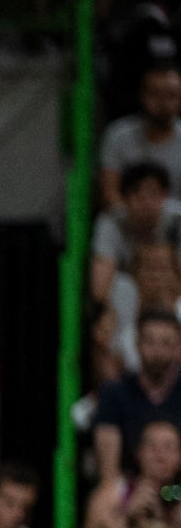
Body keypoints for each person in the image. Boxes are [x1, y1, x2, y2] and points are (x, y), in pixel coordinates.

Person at [92, 163, 181, 374]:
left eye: (162, 269)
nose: (156, 277)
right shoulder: (122, 297)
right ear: (136, 275)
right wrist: (102, 348)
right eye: (149, 269)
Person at [81, 420, 181, 528]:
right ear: (139, 453)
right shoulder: (113, 491)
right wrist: (127, 516)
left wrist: (168, 526)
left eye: (168, 447)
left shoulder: (177, 502)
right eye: (152, 447)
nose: (160, 455)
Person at [95, 312, 181, 484]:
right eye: (150, 342)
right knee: (104, 498)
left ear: (178, 346)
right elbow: (108, 475)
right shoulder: (114, 393)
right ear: (137, 344)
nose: (157, 351)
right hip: (130, 490)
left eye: (166, 343)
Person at [100, 62, 181, 212]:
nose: (163, 103)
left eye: (171, 95)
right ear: (143, 95)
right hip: (129, 219)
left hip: (176, 221)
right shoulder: (118, 134)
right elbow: (109, 191)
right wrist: (137, 219)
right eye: (156, 94)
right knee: (105, 225)